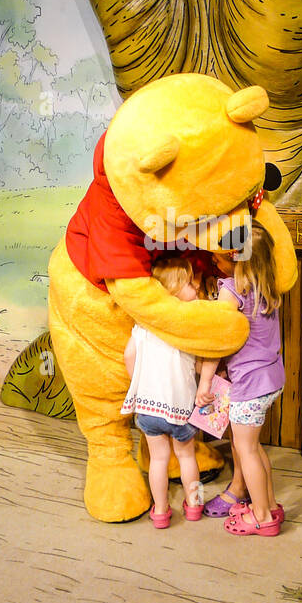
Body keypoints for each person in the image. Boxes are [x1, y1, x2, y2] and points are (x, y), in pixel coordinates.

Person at [198, 220, 286, 536]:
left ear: (235, 257)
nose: (214, 261)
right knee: (253, 447)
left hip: (249, 385)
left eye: (219, 258)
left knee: (246, 451)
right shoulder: (266, 286)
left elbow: (217, 343)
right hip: (272, 379)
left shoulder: (232, 292)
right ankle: (270, 505)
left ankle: (261, 516)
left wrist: (205, 383)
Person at [122, 257, 215, 528]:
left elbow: (129, 355)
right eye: (188, 283)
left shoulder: (144, 325)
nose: (195, 287)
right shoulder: (187, 325)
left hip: (149, 408)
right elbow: (198, 363)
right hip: (181, 409)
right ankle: (195, 504)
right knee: (187, 457)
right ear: (173, 289)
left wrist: (138, 384)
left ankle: (161, 510)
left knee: (159, 461)